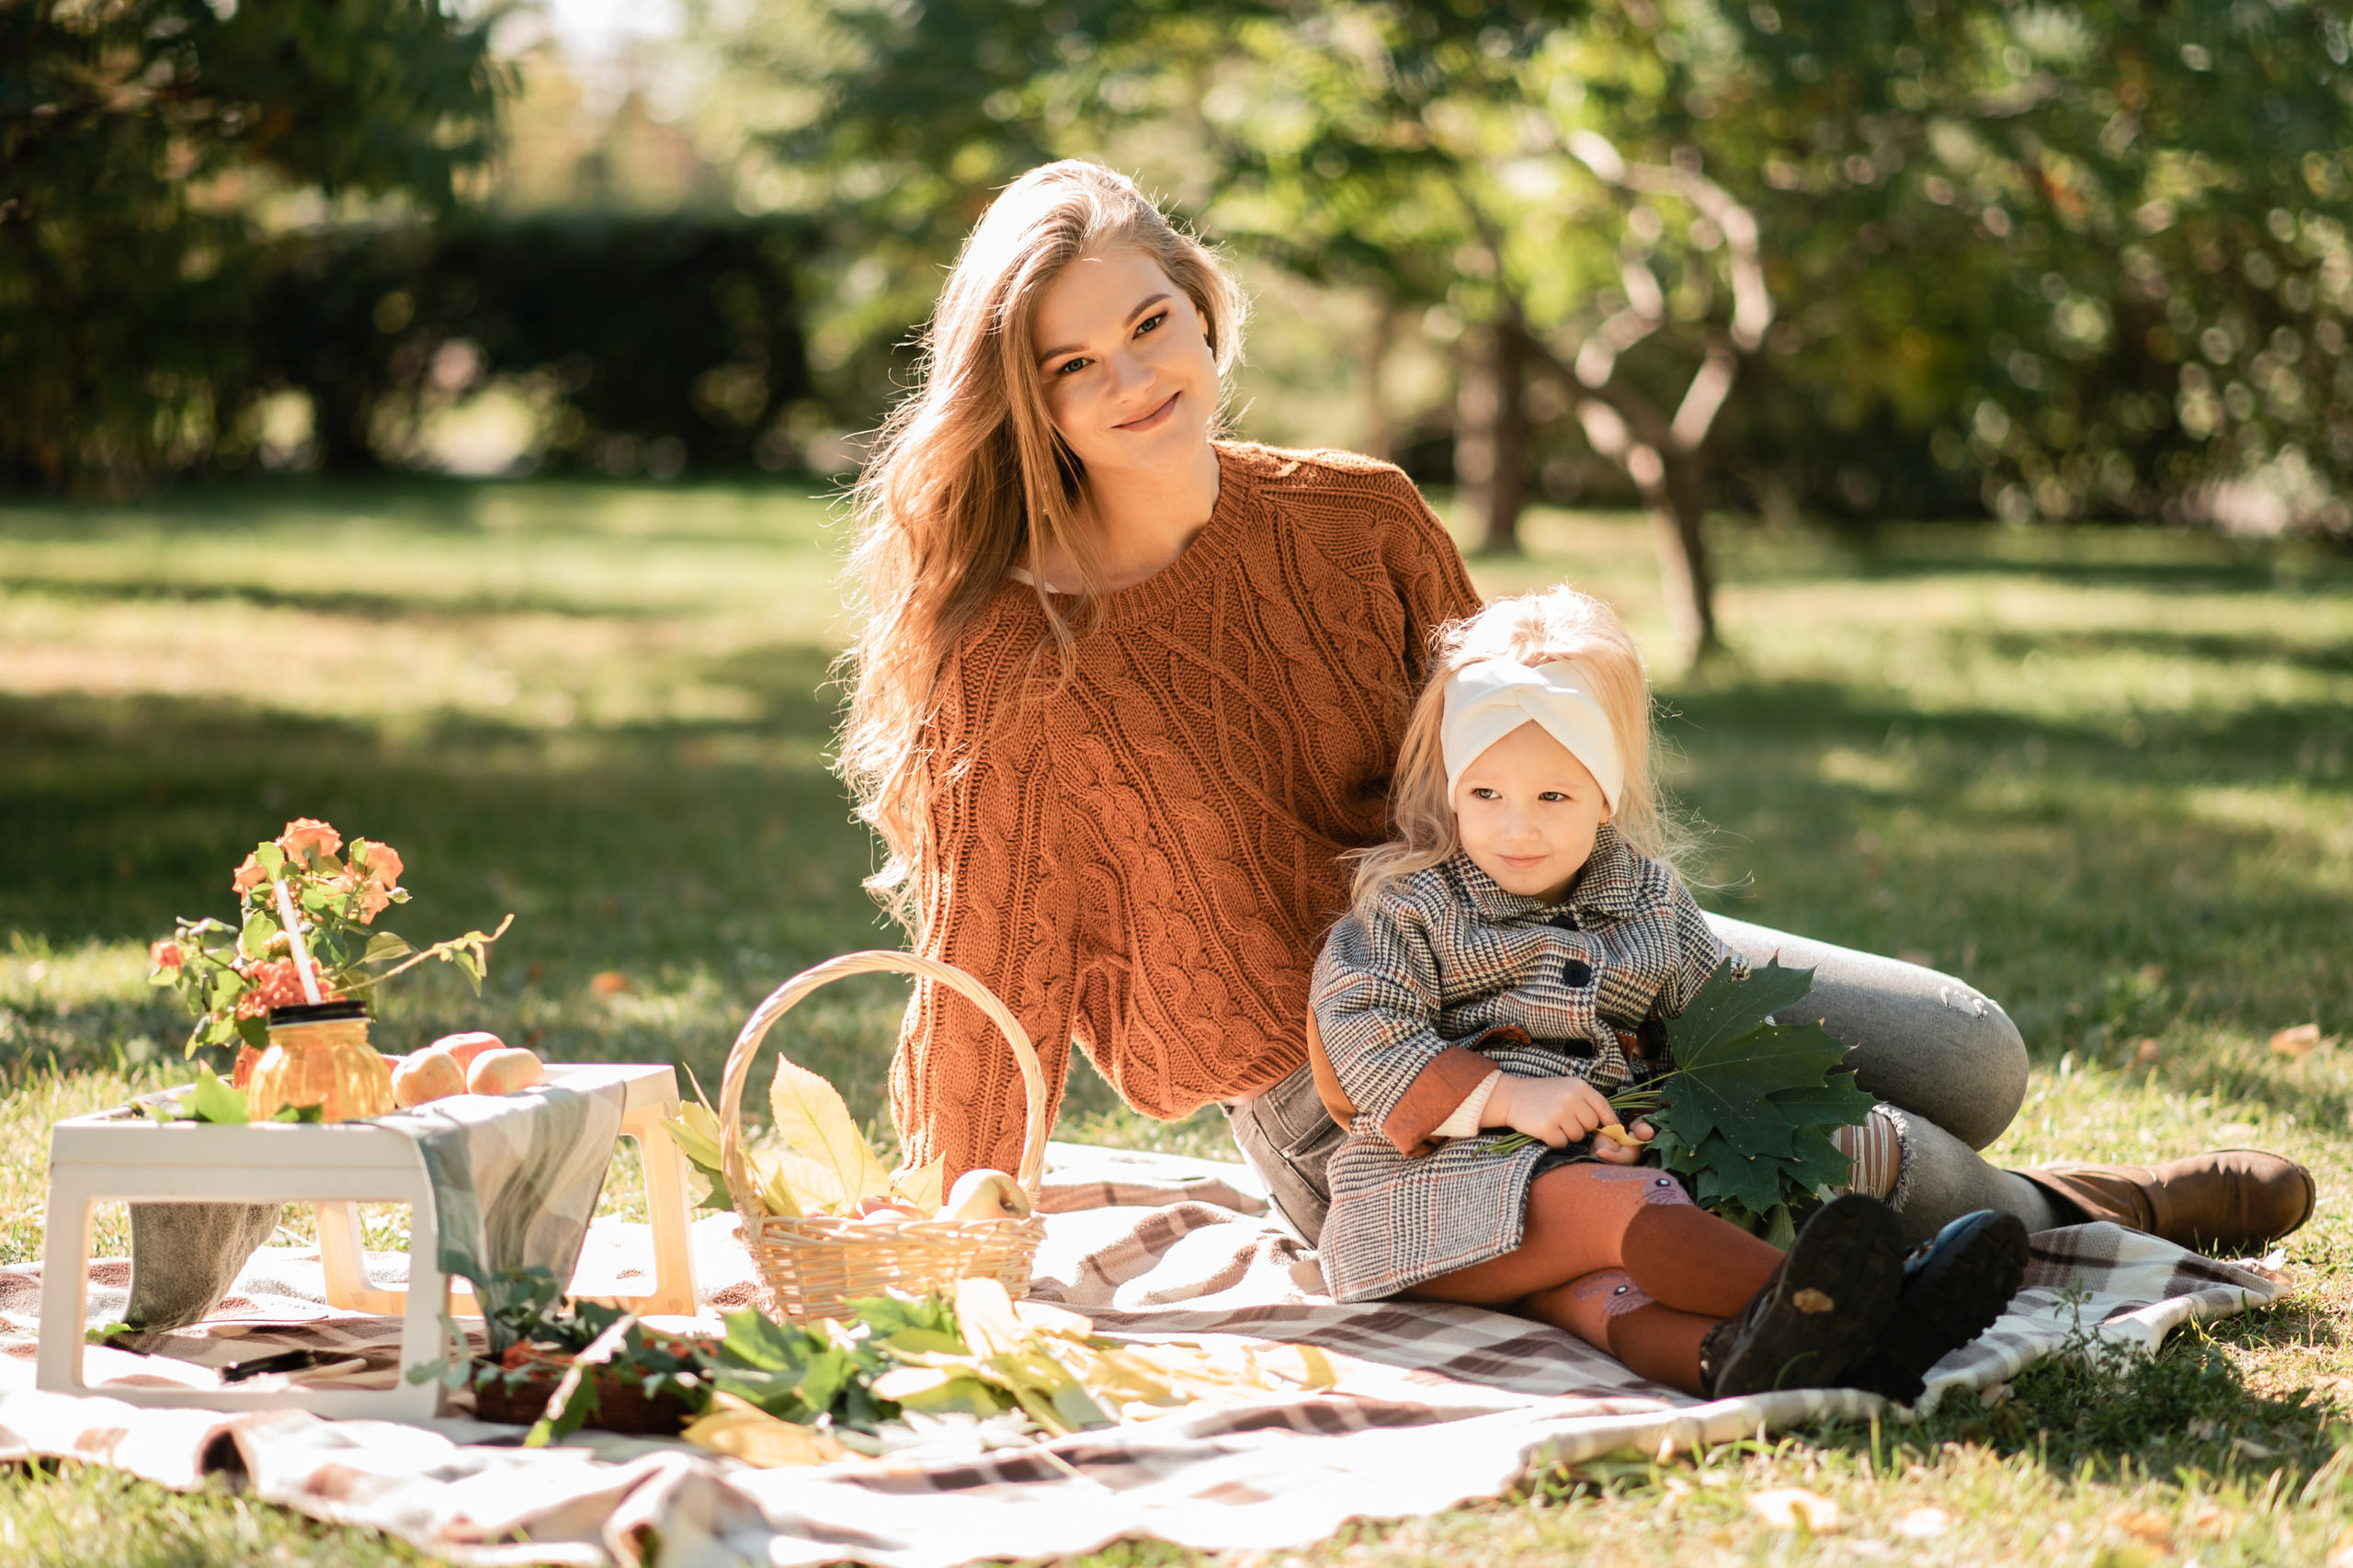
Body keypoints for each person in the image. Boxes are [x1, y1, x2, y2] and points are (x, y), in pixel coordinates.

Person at [834, 156, 2314, 1267]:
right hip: (1357, 1077)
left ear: (1202, 305)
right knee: (1897, 1164)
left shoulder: (1358, 516)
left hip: (1558, 932)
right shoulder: (1016, 652)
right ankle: (2092, 1213)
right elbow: (987, 955)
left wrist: (1614, 953)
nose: (1133, 376)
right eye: (1073, 365)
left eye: (1149, 322)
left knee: (1971, 1055)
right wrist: (959, 1201)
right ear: (1026, 402)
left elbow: (1524, 737)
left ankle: (1994, 1201)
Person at [1310, 583, 2032, 1398]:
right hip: (1437, 1202)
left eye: (1553, 796)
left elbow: (1714, 1033)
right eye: (1486, 794)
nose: (1517, 827)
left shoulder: (1650, 906)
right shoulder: (1413, 907)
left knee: (1610, 1297)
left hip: (1596, 1180)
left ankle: (1750, 1357)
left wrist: (1663, 1115)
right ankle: (1875, 1311)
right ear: (1452, 788)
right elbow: (1361, 1025)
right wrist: (1507, 1095)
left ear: (1606, 795)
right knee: (1630, 1206)